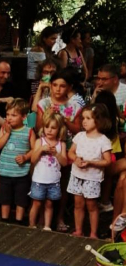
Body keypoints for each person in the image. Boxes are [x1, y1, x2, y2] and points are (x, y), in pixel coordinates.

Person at [35, 69, 83, 232]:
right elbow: (38, 128)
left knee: (63, 184)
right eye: (55, 85)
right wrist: (48, 116)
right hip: (46, 149)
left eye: (62, 86)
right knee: (43, 181)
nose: (57, 89)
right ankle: (42, 217)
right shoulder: (44, 103)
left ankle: (60, 217)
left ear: (69, 87)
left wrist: (64, 120)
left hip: (66, 149)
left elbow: (78, 130)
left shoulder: (75, 106)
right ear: (50, 85)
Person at [67, 105, 112, 238]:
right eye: (83, 118)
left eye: (88, 118)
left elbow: (107, 161)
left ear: (98, 120)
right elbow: (70, 152)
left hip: (92, 178)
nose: (84, 121)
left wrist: (91, 163)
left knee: (91, 205)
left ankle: (93, 233)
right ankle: (79, 230)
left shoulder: (103, 140)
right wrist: (76, 159)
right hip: (77, 175)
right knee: (78, 204)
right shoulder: (80, 136)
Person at [28, 110, 68, 231]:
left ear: (59, 129)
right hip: (39, 180)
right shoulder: (39, 141)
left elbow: (64, 163)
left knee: (49, 204)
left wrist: (56, 153)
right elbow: (32, 159)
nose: (49, 130)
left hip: (53, 181)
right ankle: (31, 225)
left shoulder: (61, 144)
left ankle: (47, 226)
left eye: (53, 128)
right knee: (36, 203)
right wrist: (40, 149)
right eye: (47, 127)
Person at [0, 98, 33, 224]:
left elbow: (34, 149)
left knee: (20, 198)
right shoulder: (4, 128)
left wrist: (25, 157)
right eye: (8, 115)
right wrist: (6, 134)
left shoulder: (29, 131)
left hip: (21, 173)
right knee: (5, 198)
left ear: (23, 117)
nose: (9, 118)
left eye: (14, 115)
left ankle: (19, 220)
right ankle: (4, 218)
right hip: (5, 171)